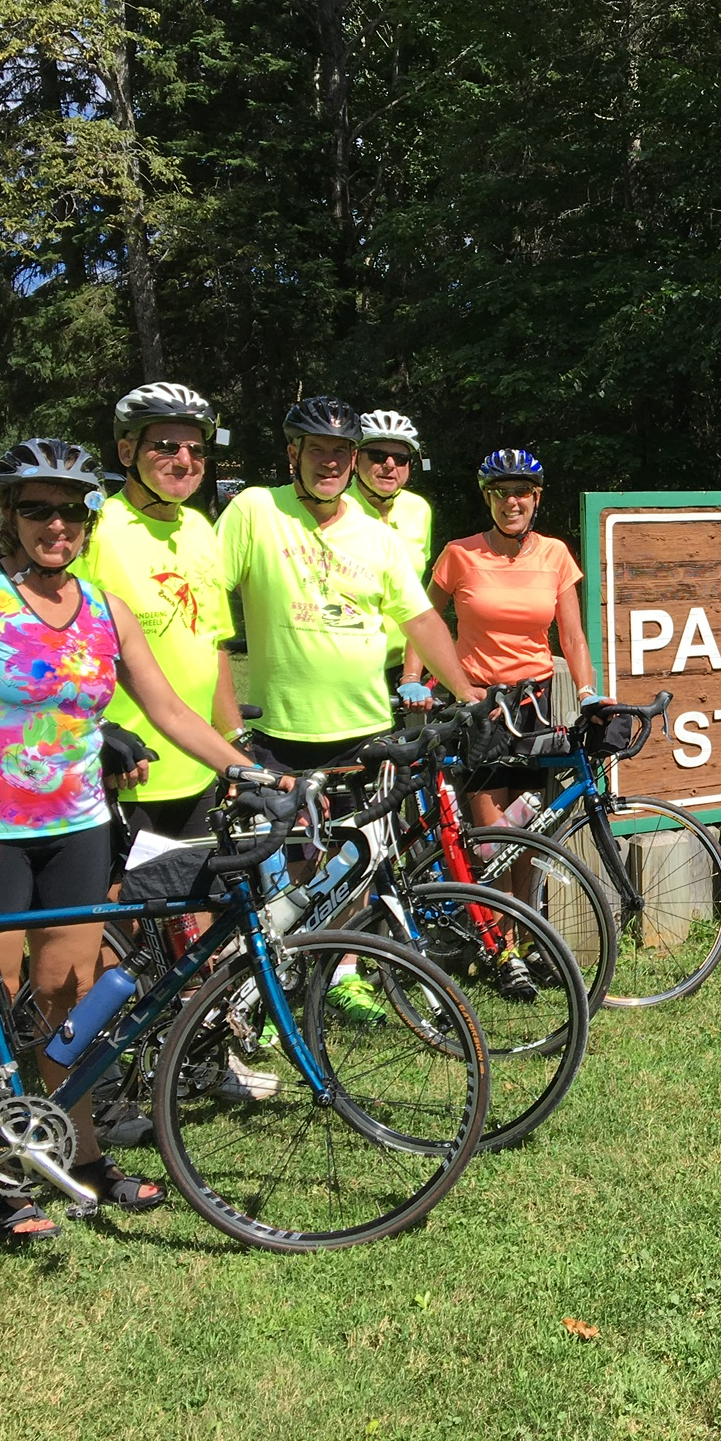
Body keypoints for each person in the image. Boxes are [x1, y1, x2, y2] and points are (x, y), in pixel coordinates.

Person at [0, 439, 270, 1243]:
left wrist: (253, 770)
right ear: (8, 516)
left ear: (89, 520)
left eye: (72, 511)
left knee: (72, 997)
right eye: (37, 509)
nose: (56, 525)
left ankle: (82, 1155)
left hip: (79, 826)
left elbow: (169, 710)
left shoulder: (103, 608)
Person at [216, 397, 471, 1018]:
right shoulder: (255, 509)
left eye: (340, 451)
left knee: (358, 860)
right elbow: (210, 617)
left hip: (363, 732)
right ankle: (264, 989)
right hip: (278, 730)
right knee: (277, 873)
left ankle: (344, 974)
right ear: (293, 454)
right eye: (317, 449)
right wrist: (228, 732)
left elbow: (420, 619)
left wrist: (469, 695)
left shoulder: (377, 536)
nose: (329, 462)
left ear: (351, 460)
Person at [82, 381, 241, 844]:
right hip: (126, 768)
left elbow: (213, 643)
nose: (185, 460)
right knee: (124, 891)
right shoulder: (96, 531)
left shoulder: (200, 528)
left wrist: (233, 737)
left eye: (196, 449)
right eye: (167, 446)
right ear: (127, 451)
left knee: (203, 888)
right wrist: (99, 733)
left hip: (198, 766)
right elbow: (59, 649)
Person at [425, 447, 600, 835]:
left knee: (528, 833)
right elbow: (422, 620)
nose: (511, 501)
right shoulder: (459, 553)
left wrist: (586, 692)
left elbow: (572, 635)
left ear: (536, 497)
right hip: (479, 702)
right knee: (493, 836)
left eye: (521, 491)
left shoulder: (555, 553)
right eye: (500, 492)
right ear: (487, 498)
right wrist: (411, 678)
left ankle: (521, 881)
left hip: (534, 704)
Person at [350, 409, 435, 690]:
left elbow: (416, 591)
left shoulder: (419, 509)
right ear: (355, 458)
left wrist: (413, 671)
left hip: (403, 664)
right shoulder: (335, 506)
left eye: (400, 458)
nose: (389, 465)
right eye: (377, 455)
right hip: (347, 663)